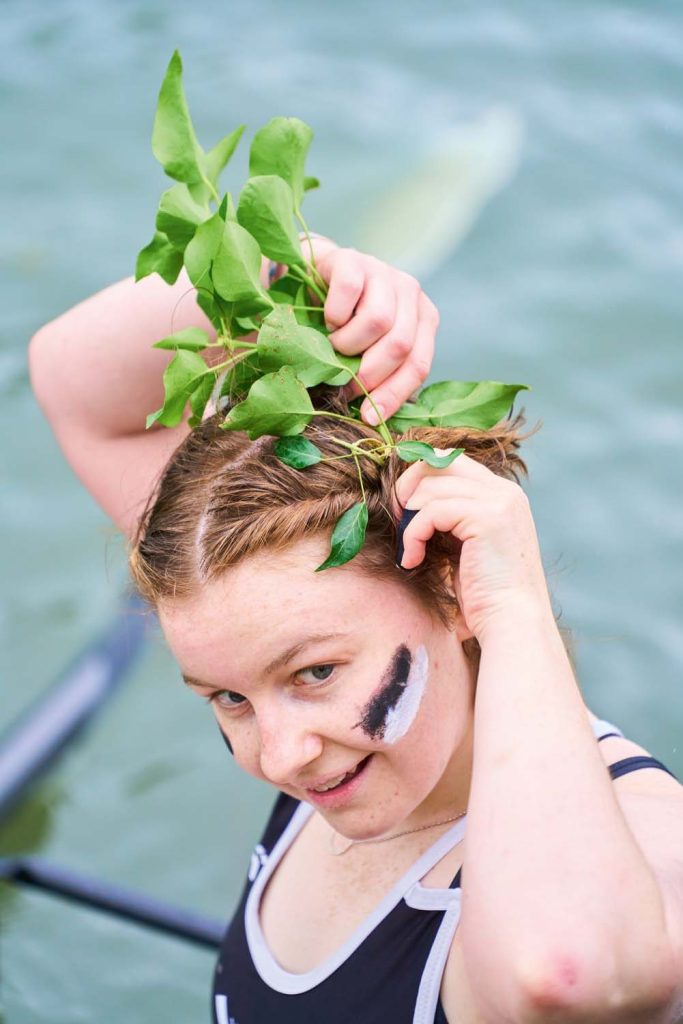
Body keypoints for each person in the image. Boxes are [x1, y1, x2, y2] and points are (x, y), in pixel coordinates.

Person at [29, 237, 683, 1023]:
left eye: (314, 674)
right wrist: (285, 272)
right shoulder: (339, 748)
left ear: (448, 581)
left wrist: (514, 605)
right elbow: (70, 381)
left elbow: (563, 978)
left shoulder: (647, 844)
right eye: (228, 699)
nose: (278, 756)